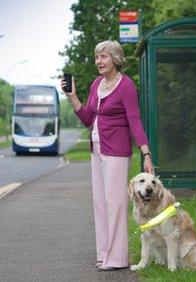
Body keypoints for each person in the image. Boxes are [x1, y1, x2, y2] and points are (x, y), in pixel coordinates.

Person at [61, 40, 154, 271]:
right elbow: (87, 119)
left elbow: (134, 121)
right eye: (96, 57)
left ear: (115, 59)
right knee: (100, 203)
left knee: (115, 203)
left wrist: (146, 152)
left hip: (116, 151)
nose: (99, 61)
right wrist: (73, 97)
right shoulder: (96, 85)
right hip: (97, 150)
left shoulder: (126, 86)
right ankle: (105, 255)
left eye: (103, 57)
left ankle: (117, 258)